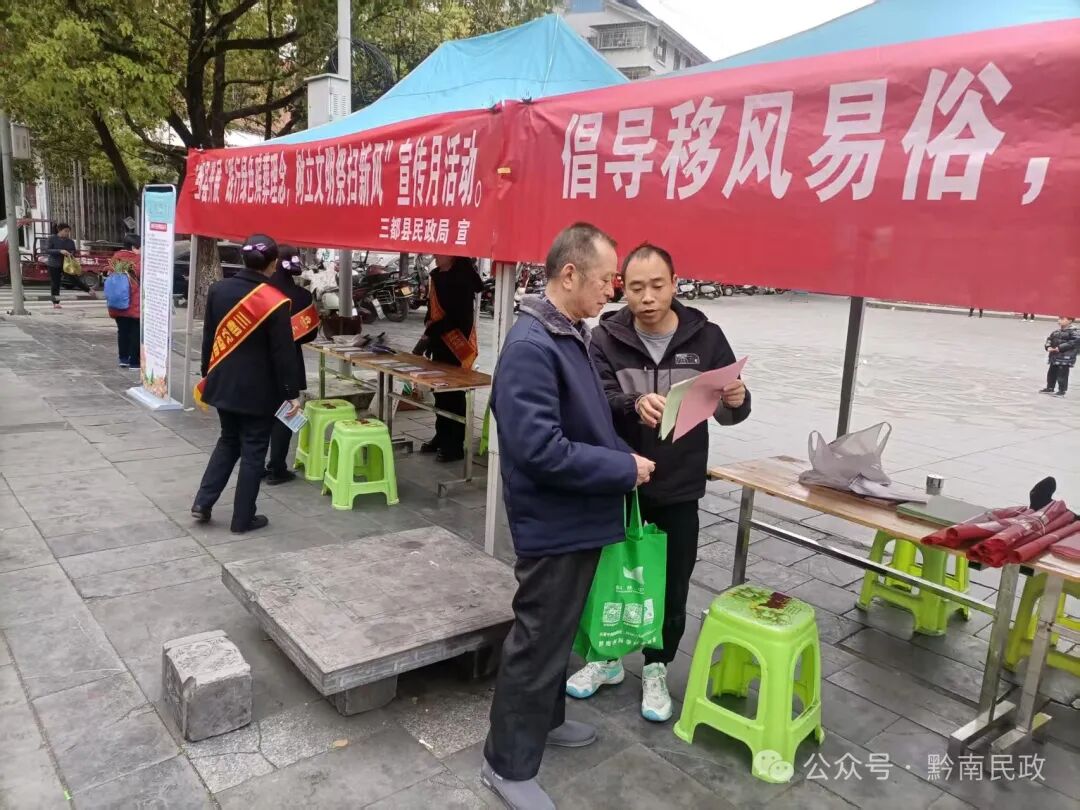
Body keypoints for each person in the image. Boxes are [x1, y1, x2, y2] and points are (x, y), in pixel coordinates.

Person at [480, 223, 655, 810]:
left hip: (576, 516)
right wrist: (621, 468)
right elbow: (539, 450)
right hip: (553, 522)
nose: (613, 290)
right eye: (607, 280)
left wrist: (627, 438)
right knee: (537, 640)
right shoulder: (532, 346)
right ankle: (506, 764)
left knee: (557, 635)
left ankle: (546, 722)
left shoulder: (570, 333)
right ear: (570, 273)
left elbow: (587, 419)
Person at [569, 244, 751, 722]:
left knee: (672, 581)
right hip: (618, 481)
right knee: (608, 574)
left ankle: (656, 666)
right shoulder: (604, 337)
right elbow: (596, 398)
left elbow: (731, 411)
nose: (647, 297)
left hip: (678, 485)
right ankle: (606, 657)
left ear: (675, 283)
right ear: (621, 289)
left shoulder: (707, 337)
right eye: (635, 288)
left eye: (656, 286)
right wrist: (633, 405)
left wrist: (737, 397)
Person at [191, 234, 300, 533]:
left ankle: (203, 502)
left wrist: (207, 374)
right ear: (273, 263)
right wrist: (291, 393)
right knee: (253, 450)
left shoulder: (219, 289)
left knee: (228, 440)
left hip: (223, 383)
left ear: (243, 258)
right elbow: (283, 353)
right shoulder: (275, 300)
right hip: (258, 392)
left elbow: (209, 337)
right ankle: (242, 518)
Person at [412, 254, 484, 463]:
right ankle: (441, 436)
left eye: (440, 252)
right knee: (440, 393)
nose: (435, 255)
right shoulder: (437, 275)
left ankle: (455, 445)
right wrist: (428, 323)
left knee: (454, 395)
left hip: (456, 344)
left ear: (452, 255)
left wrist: (432, 330)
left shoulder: (462, 279)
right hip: (438, 343)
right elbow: (432, 309)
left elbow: (457, 317)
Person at [264, 245, 320, 484]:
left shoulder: (260, 292)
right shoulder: (303, 296)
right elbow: (310, 334)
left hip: (259, 362)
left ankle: (256, 465)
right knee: (287, 414)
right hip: (290, 362)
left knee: (260, 415)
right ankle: (277, 467)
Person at [107, 234, 141, 369]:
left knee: (122, 331)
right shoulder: (138, 259)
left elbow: (108, 273)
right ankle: (134, 362)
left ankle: (123, 358)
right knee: (135, 332)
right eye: (140, 247)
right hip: (134, 302)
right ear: (133, 247)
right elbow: (140, 274)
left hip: (117, 302)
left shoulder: (115, 257)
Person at [43, 223, 92, 309]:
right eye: (65, 231)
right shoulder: (52, 238)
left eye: (68, 231)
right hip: (53, 264)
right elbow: (47, 250)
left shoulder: (70, 241)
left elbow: (73, 251)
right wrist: (60, 251)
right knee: (55, 283)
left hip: (67, 264)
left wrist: (70, 253)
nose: (67, 233)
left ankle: (89, 290)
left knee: (74, 278)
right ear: (59, 230)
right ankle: (56, 303)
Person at [1041, 316, 1079, 397]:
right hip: (1054, 356)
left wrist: (1060, 347)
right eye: (1059, 319)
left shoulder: (1075, 332)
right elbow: (1049, 340)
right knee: (1051, 373)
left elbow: (1074, 342)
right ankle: (1050, 387)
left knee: (1062, 375)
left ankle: (1062, 390)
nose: (1059, 321)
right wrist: (1048, 347)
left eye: (1062, 319)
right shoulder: (1056, 332)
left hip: (1066, 357)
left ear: (1070, 320)